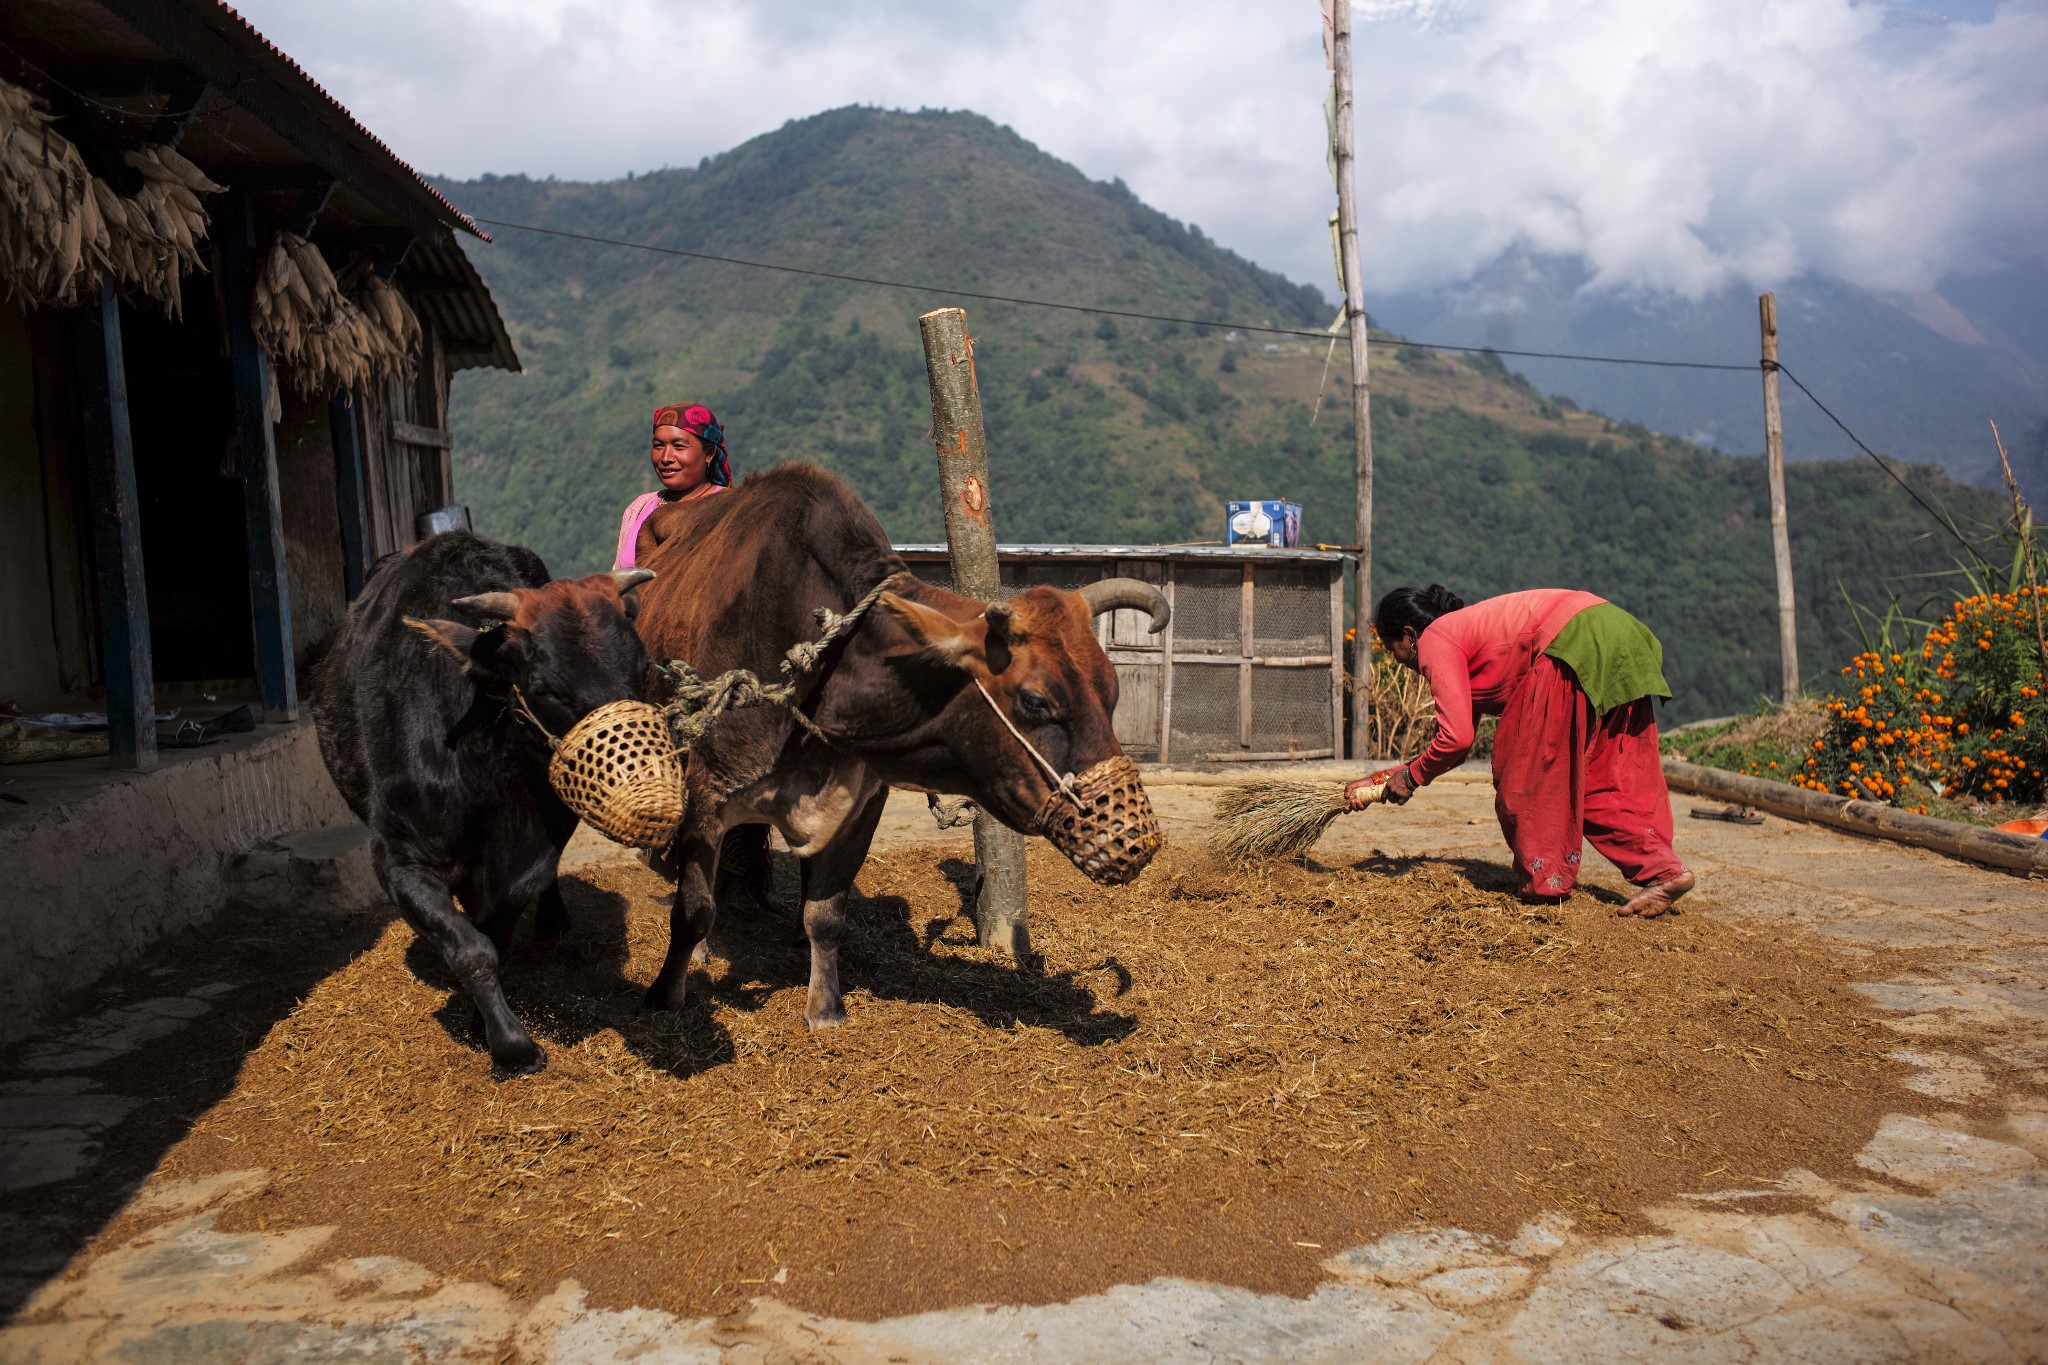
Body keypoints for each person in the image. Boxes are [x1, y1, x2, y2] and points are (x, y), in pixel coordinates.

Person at [1349, 584, 1695, 917]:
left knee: (1526, 782)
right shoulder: (1464, 631)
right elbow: (1456, 746)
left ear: (1409, 635)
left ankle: (1545, 887)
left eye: (1393, 649)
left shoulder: (1435, 640)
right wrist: (1384, 780)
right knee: (1597, 780)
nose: (1398, 661)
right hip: (1618, 630)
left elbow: (1456, 739)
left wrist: (1411, 778)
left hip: (1571, 642)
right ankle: (1664, 871)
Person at [612, 402, 732, 571]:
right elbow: (618, 577)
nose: (666, 457)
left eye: (679, 446)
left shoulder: (731, 510)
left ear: (709, 453)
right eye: (658, 446)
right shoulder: (640, 507)